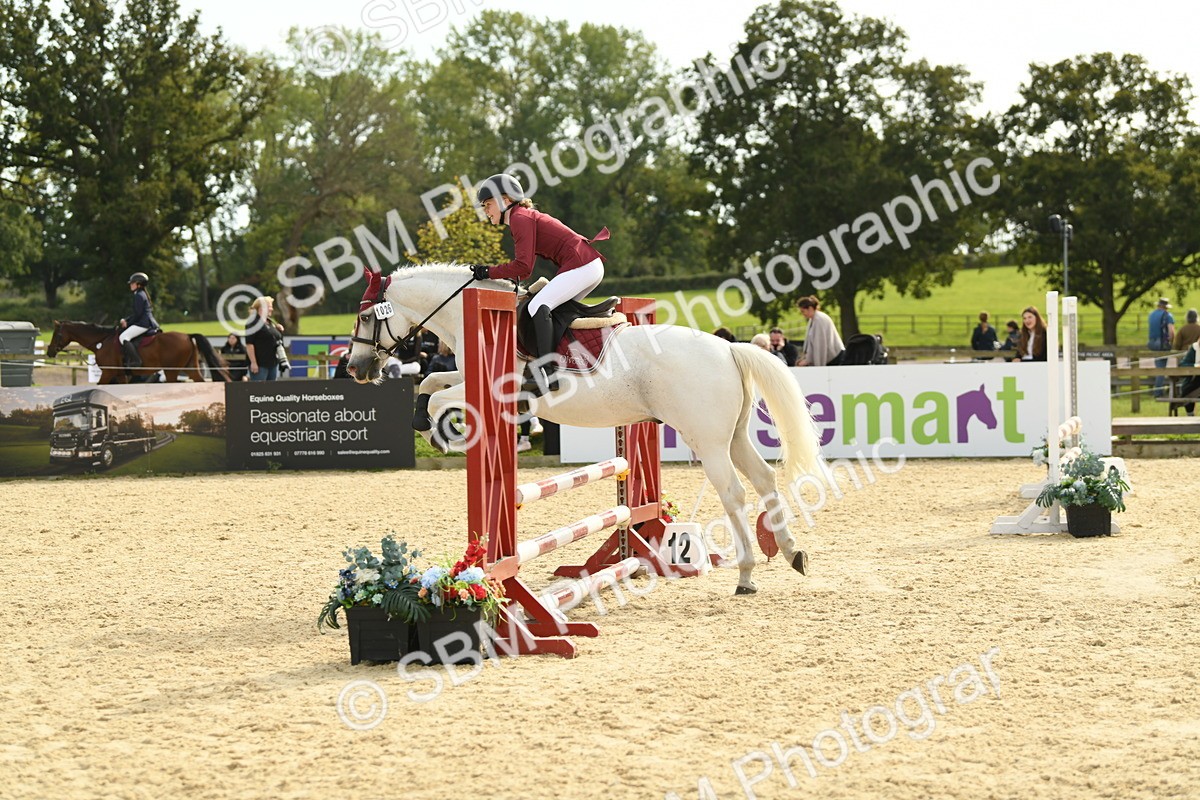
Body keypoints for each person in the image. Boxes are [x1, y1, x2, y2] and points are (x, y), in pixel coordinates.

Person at [472, 173, 608, 395]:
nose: (486, 211)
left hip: (582, 265)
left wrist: (488, 272)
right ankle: (566, 362)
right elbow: (524, 269)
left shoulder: (519, 218)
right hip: (587, 265)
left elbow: (523, 267)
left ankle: (546, 371)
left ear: (505, 200)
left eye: (488, 205)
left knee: (538, 306)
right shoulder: (522, 216)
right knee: (552, 310)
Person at [117, 272, 159, 370]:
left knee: (123, 337)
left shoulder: (139, 296)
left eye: (132, 283)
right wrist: (127, 320)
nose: (130, 285)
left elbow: (138, 314)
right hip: (145, 322)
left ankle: (136, 361)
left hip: (143, 324)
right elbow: (137, 313)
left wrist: (127, 322)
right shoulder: (141, 294)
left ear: (139, 284)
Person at [796, 296, 845, 366]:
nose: (802, 314)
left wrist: (810, 361)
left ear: (810, 308)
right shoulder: (814, 319)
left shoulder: (819, 320)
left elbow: (819, 345)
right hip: (832, 358)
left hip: (834, 359)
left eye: (803, 311)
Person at [245, 295, 285, 381]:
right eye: (270, 307)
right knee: (259, 391)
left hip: (272, 363)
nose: (272, 309)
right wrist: (253, 363)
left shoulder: (270, 322)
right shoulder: (253, 322)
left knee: (270, 391)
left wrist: (277, 329)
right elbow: (249, 344)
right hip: (260, 365)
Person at [1148, 297, 1176, 397]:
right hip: (1161, 344)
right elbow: (1171, 331)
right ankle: (1158, 392)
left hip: (1152, 343)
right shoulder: (1168, 315)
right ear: (1165, 307)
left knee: (1158, 365)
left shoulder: (1151, 315)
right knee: (1161, 368)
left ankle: (1158, 389)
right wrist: (1171, 342)